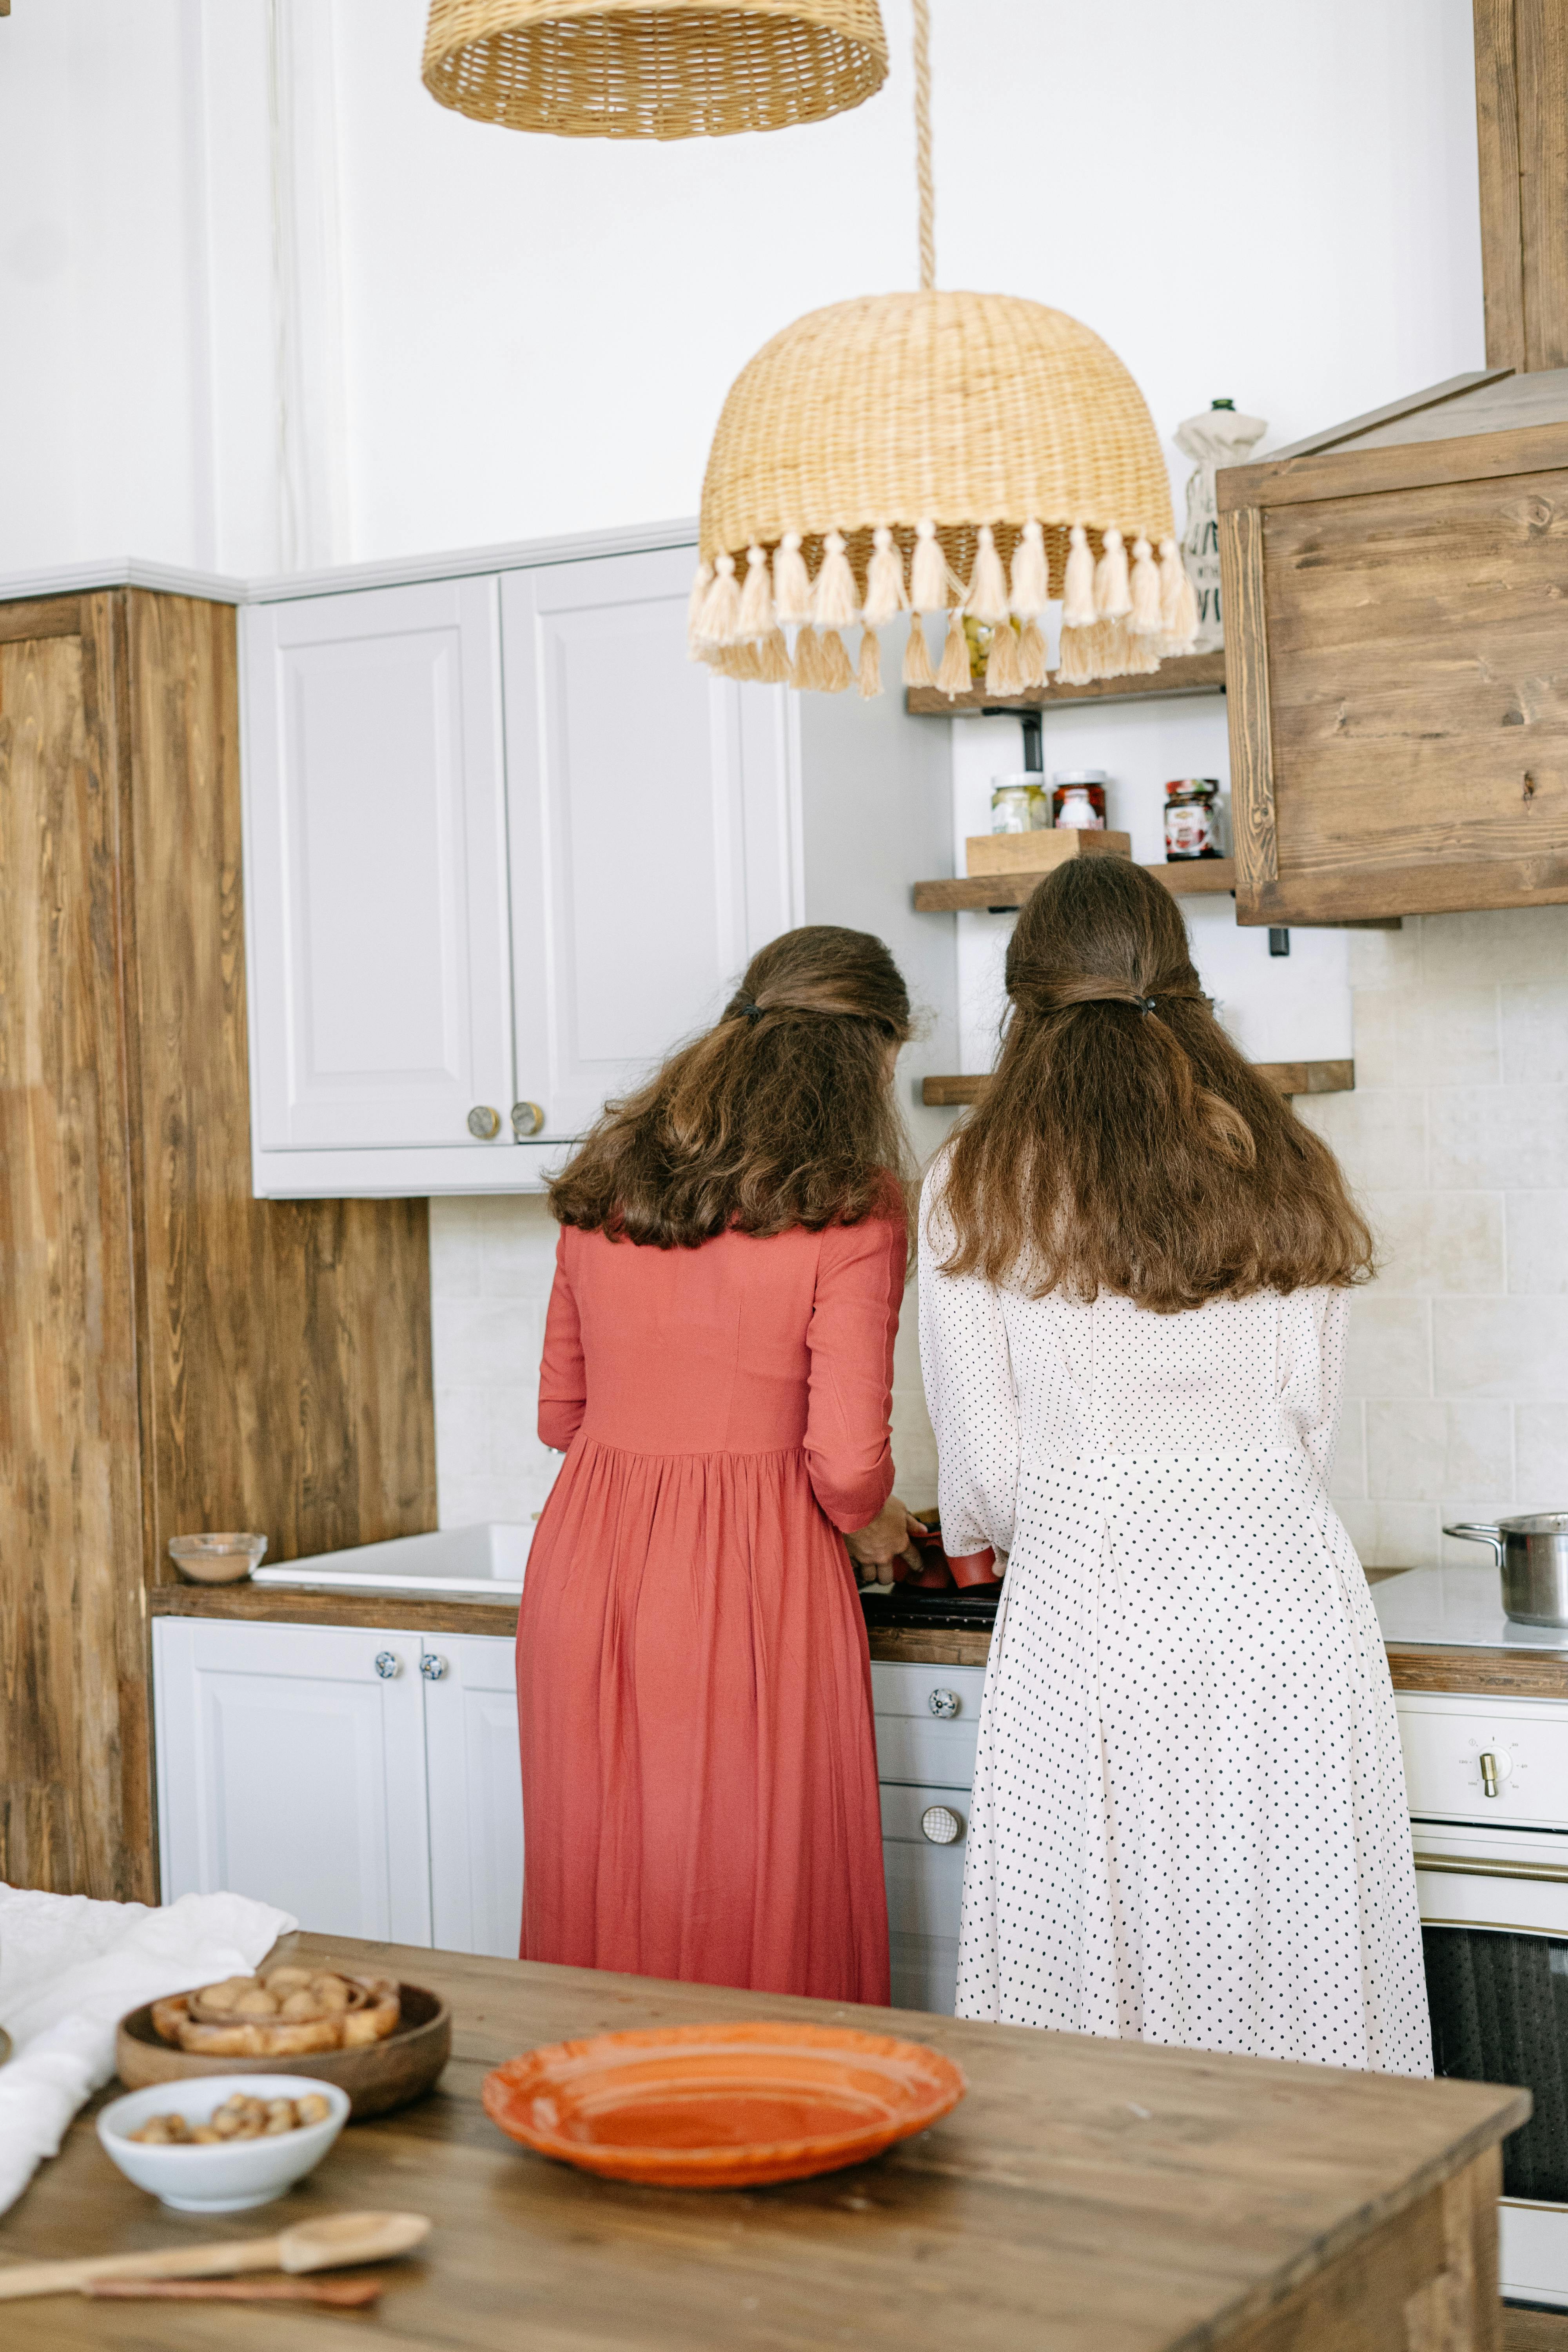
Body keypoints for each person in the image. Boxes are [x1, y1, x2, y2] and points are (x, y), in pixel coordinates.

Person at [919, 859, 1431, 2073]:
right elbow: (1309, 1417)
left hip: (1091, 1601)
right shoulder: (1286, 1156)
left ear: (1023, 996)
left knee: (1099, 1981)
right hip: (1288, 1595)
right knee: (1304, 1958)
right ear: (1187, 980)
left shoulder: (974, 1181)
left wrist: (1029, 1507)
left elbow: (984, 1472)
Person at [517, 926, 922, 2002]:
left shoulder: (610, 1180)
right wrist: (871, 1516)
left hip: (587, 1563)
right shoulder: (857, 1208)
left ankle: (601, 2122)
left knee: (603, 1868)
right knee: (755, 1882)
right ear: (875, 1053)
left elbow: (561, 1415)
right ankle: (765, 2128)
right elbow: (844, 1467)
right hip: (750, 1576)